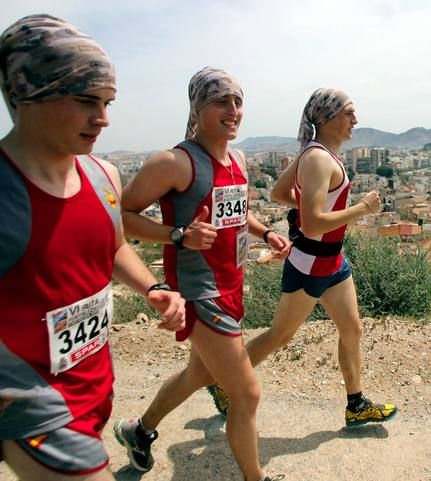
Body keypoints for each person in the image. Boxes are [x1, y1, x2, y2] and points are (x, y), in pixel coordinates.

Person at [0, 14, 186, 481]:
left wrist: (151, 288)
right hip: (32, 404)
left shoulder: (103, 177)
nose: (102, 118)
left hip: (93, 385)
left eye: (107, 102)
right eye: (85, 100)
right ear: (27, 93)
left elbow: (113, 245)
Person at [114, 67, 289, 481]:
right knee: (246, 393)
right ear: (198, 106)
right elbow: (119, 218)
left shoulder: (239, 159)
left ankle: (139, 431)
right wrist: (178, 235)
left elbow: (236, 213)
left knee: (200, 373)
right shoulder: (174, 162)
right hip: (197, 292)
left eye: (238, 101)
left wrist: (266, 233)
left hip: (231, 285)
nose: (233, 110)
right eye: (221, 101)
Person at [209, 88, 398, 428]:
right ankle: (225, 381)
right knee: (279, 336)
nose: (355, 119)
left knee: (352, 329)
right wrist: (362, 209)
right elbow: (311, 225)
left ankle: (356, 404)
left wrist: (313, 206)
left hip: (332, 261)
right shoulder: (318, 159)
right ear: (326, 119)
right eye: (348, 113)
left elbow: (279, 193)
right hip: (312, 261)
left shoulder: (315, 153)